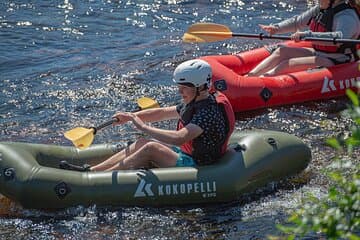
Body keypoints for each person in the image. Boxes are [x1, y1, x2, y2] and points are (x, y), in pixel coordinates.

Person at [60, 59, 235, 171]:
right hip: (189, 155)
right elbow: (160, 113)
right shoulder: (194, 101)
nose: (180, 91)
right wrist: (130, 116)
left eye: (184, 87)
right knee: (142, 142)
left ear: (200, 86)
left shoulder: (208, 112)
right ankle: (92, 171)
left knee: (151, 148)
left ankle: (99, 178)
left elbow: (180, 138)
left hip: (199, 164)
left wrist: (143, 127)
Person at [247, 0, 360, 77]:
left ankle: (259, 82)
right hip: (319, 53)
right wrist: (276, 28)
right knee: (282, 51)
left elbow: (338, 38)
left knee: (288, 64)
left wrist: (306, 35)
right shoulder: (320, 8)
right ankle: (251, 76)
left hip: (338, 60)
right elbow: (298, 22)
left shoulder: (347, 16)